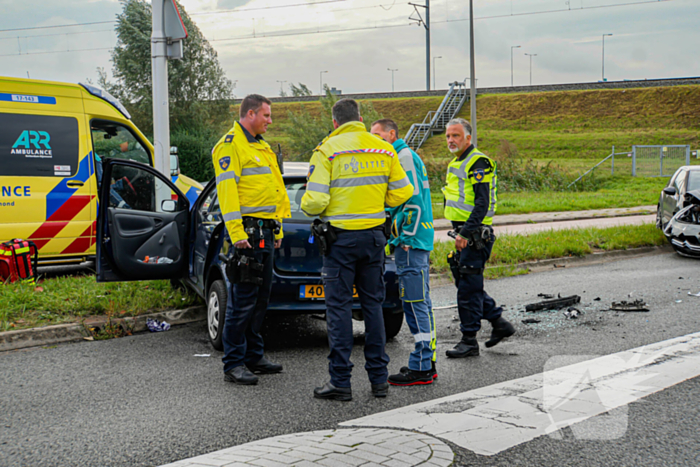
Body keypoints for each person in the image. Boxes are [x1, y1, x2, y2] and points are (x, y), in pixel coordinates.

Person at [301, 99, 413, 401]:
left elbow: (314, 203)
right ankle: (379, 381)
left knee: (338, 309)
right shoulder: (383, 149)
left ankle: (340, 382)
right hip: (374, 239)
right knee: (373, 306)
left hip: (340, 242)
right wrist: (378, 202)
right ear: (361, 119)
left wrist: (306, 202)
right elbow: (404, 190)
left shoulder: (327, 150)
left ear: (335, 122)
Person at [211, 94, 291, 385]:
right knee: (242, 301)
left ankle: (254, 356)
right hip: (248, 234)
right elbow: (227, 194)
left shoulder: (261, 146)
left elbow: (274, 192)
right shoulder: (231, 146)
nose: (270, 121)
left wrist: (278, 229)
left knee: (260, 300)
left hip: (265, 232)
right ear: (251, 114)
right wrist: (237, 234)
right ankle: (233, 363)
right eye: (267, 115)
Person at [370, 119, 437, 386]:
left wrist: (404, 236)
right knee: (421, 302)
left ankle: (421, 367)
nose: (374, 140)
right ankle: (427, 362)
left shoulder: (403, 156)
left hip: (411, 243)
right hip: (414, 241)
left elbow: (412, 200)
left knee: (414, 303)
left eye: (378, 135)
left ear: (392, 133)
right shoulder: (403, 155)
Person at [442, 118, 515, 358]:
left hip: (474, 234)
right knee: (467, 285)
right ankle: (499, 322)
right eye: (448, 136)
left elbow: (482, 203)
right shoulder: (457, 162)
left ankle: (469, 341)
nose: (451, 140)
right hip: (464, 233)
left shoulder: (477, 162)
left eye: (456, 135)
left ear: (468, 138)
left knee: (468, 291)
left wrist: (465, 232)